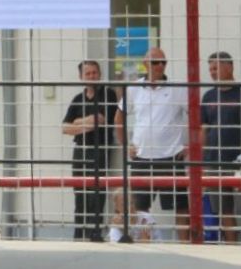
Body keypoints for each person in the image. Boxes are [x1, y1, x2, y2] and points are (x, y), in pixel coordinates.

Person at [114, 46, 190, 241]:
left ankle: (186, 245)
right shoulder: (133, 88)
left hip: (170, 156)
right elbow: (119, 118)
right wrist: (126, 145)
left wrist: (189, 145)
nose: (160, 66)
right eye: (156, 62)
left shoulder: (178, 88)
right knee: (140, 206)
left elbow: (196, 117)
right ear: (145, 64)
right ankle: (143, 243)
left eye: (164, 62)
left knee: (181, 206)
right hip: (142, 157)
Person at [201, 51, 241, 243]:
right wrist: (201, 162)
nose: (212, 72)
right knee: (224, 210)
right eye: (210, 68)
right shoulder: (208, 96)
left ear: (229, 67)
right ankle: (231, 248)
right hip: (214, 161)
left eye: (216, 67)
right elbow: (203, 130)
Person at [62, 60, 119, 240]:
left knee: (96, 193)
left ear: (100, 74)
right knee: (79, 194)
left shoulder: (107, 94)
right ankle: (79, 235)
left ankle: (94, 234)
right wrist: (85, 123)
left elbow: (99, 120)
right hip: (80, 150)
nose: (92, 76)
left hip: (99, 149)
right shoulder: (78, 99)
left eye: (95, 72)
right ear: (81, 77)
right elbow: (65, 128)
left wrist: (77, 122)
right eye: (88, 73)